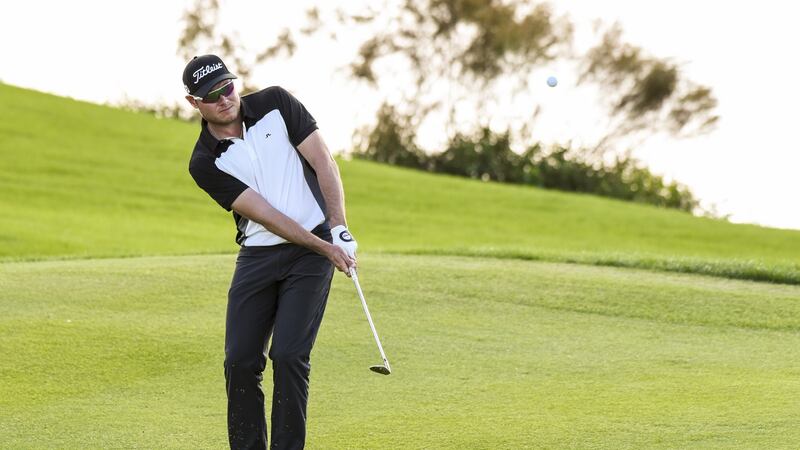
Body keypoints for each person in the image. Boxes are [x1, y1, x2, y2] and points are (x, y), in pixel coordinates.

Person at [183, 54, 357, 450]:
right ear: (194, 103)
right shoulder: (204, 162)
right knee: (240, 360)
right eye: (210, 95)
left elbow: (324, 162)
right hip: (260, 257)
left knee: (290, 354)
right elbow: (267, 216)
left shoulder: (278, 103)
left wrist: (338, 226)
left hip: (311, 254)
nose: (224, 99)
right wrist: (325, 245)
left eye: (227, 87)